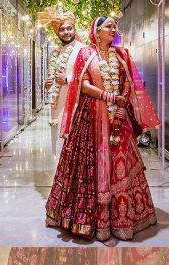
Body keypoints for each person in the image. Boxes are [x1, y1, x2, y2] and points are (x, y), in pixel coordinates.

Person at [45, 16, 161, 241]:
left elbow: (128, 83)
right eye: (109, 26)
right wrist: (110, 97)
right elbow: (83, 84)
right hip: (91, 115)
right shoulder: (86, 53)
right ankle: (89, 220)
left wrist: (122, 105)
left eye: (114, 26)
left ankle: (122, 219)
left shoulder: (122, 54)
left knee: (121, 161)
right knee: (89, 162)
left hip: (118, 117)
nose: (113, 29)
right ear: (97, 31)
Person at [37, 7, 84, 156]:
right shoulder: (55, 52)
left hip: (76, 104)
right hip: (57, 105)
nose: (66, 32)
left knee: (75, 146)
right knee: (60, 147)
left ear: (74, 29)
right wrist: (48, 85)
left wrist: (68, 79)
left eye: (69, 28)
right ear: (57, 33)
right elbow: (54, 77)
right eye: (62, 29)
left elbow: (91, 78)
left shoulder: (83, 50)